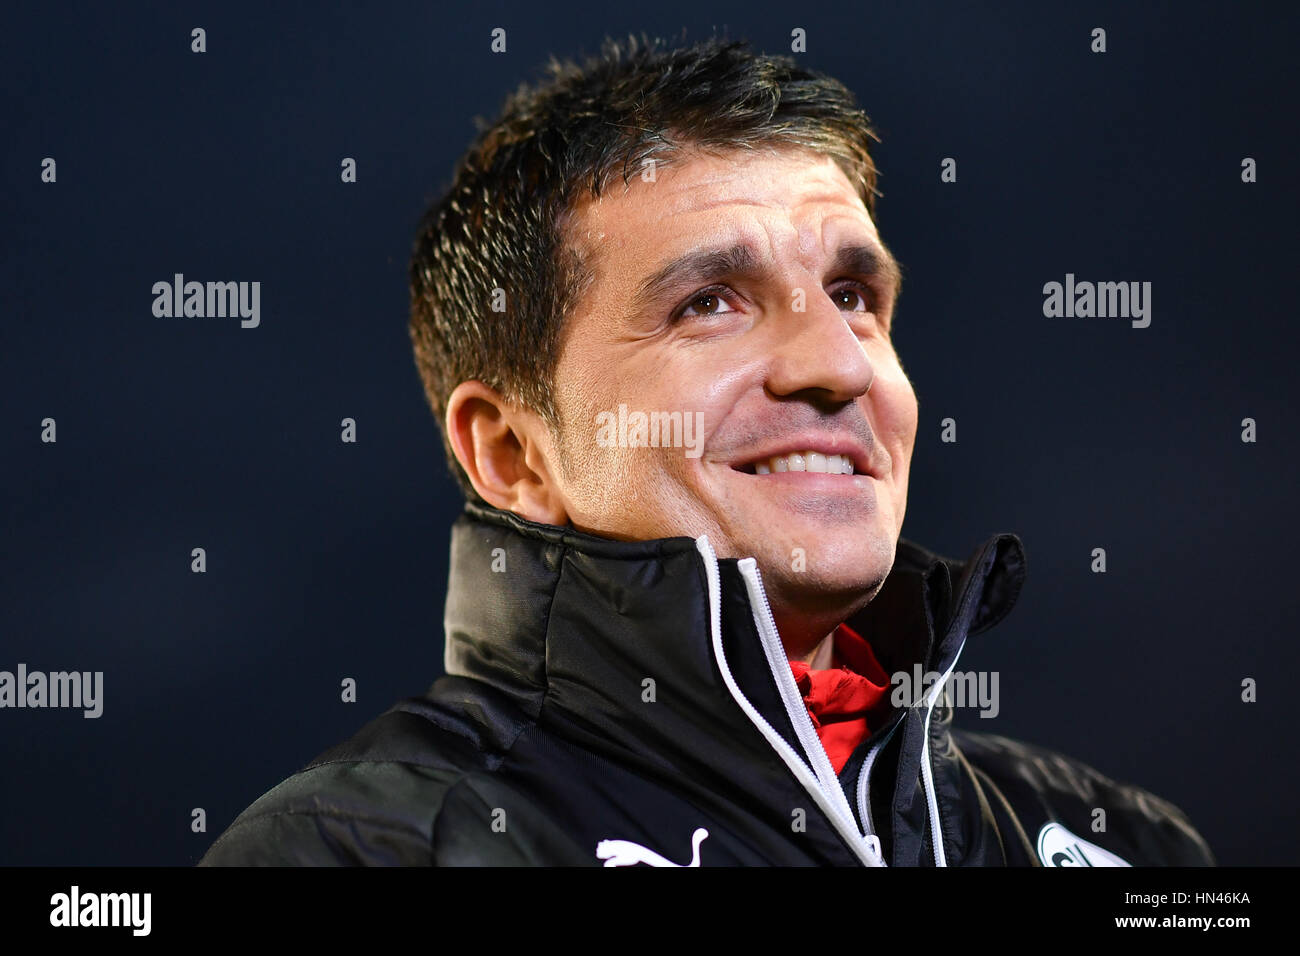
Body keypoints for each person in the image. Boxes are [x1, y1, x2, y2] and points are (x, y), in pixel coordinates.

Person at [199, 34, 1214, 867]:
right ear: (511, 453)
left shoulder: (1124, 845)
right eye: (709, 303)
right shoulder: (365, 849)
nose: (837, 365)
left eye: (855, 297)